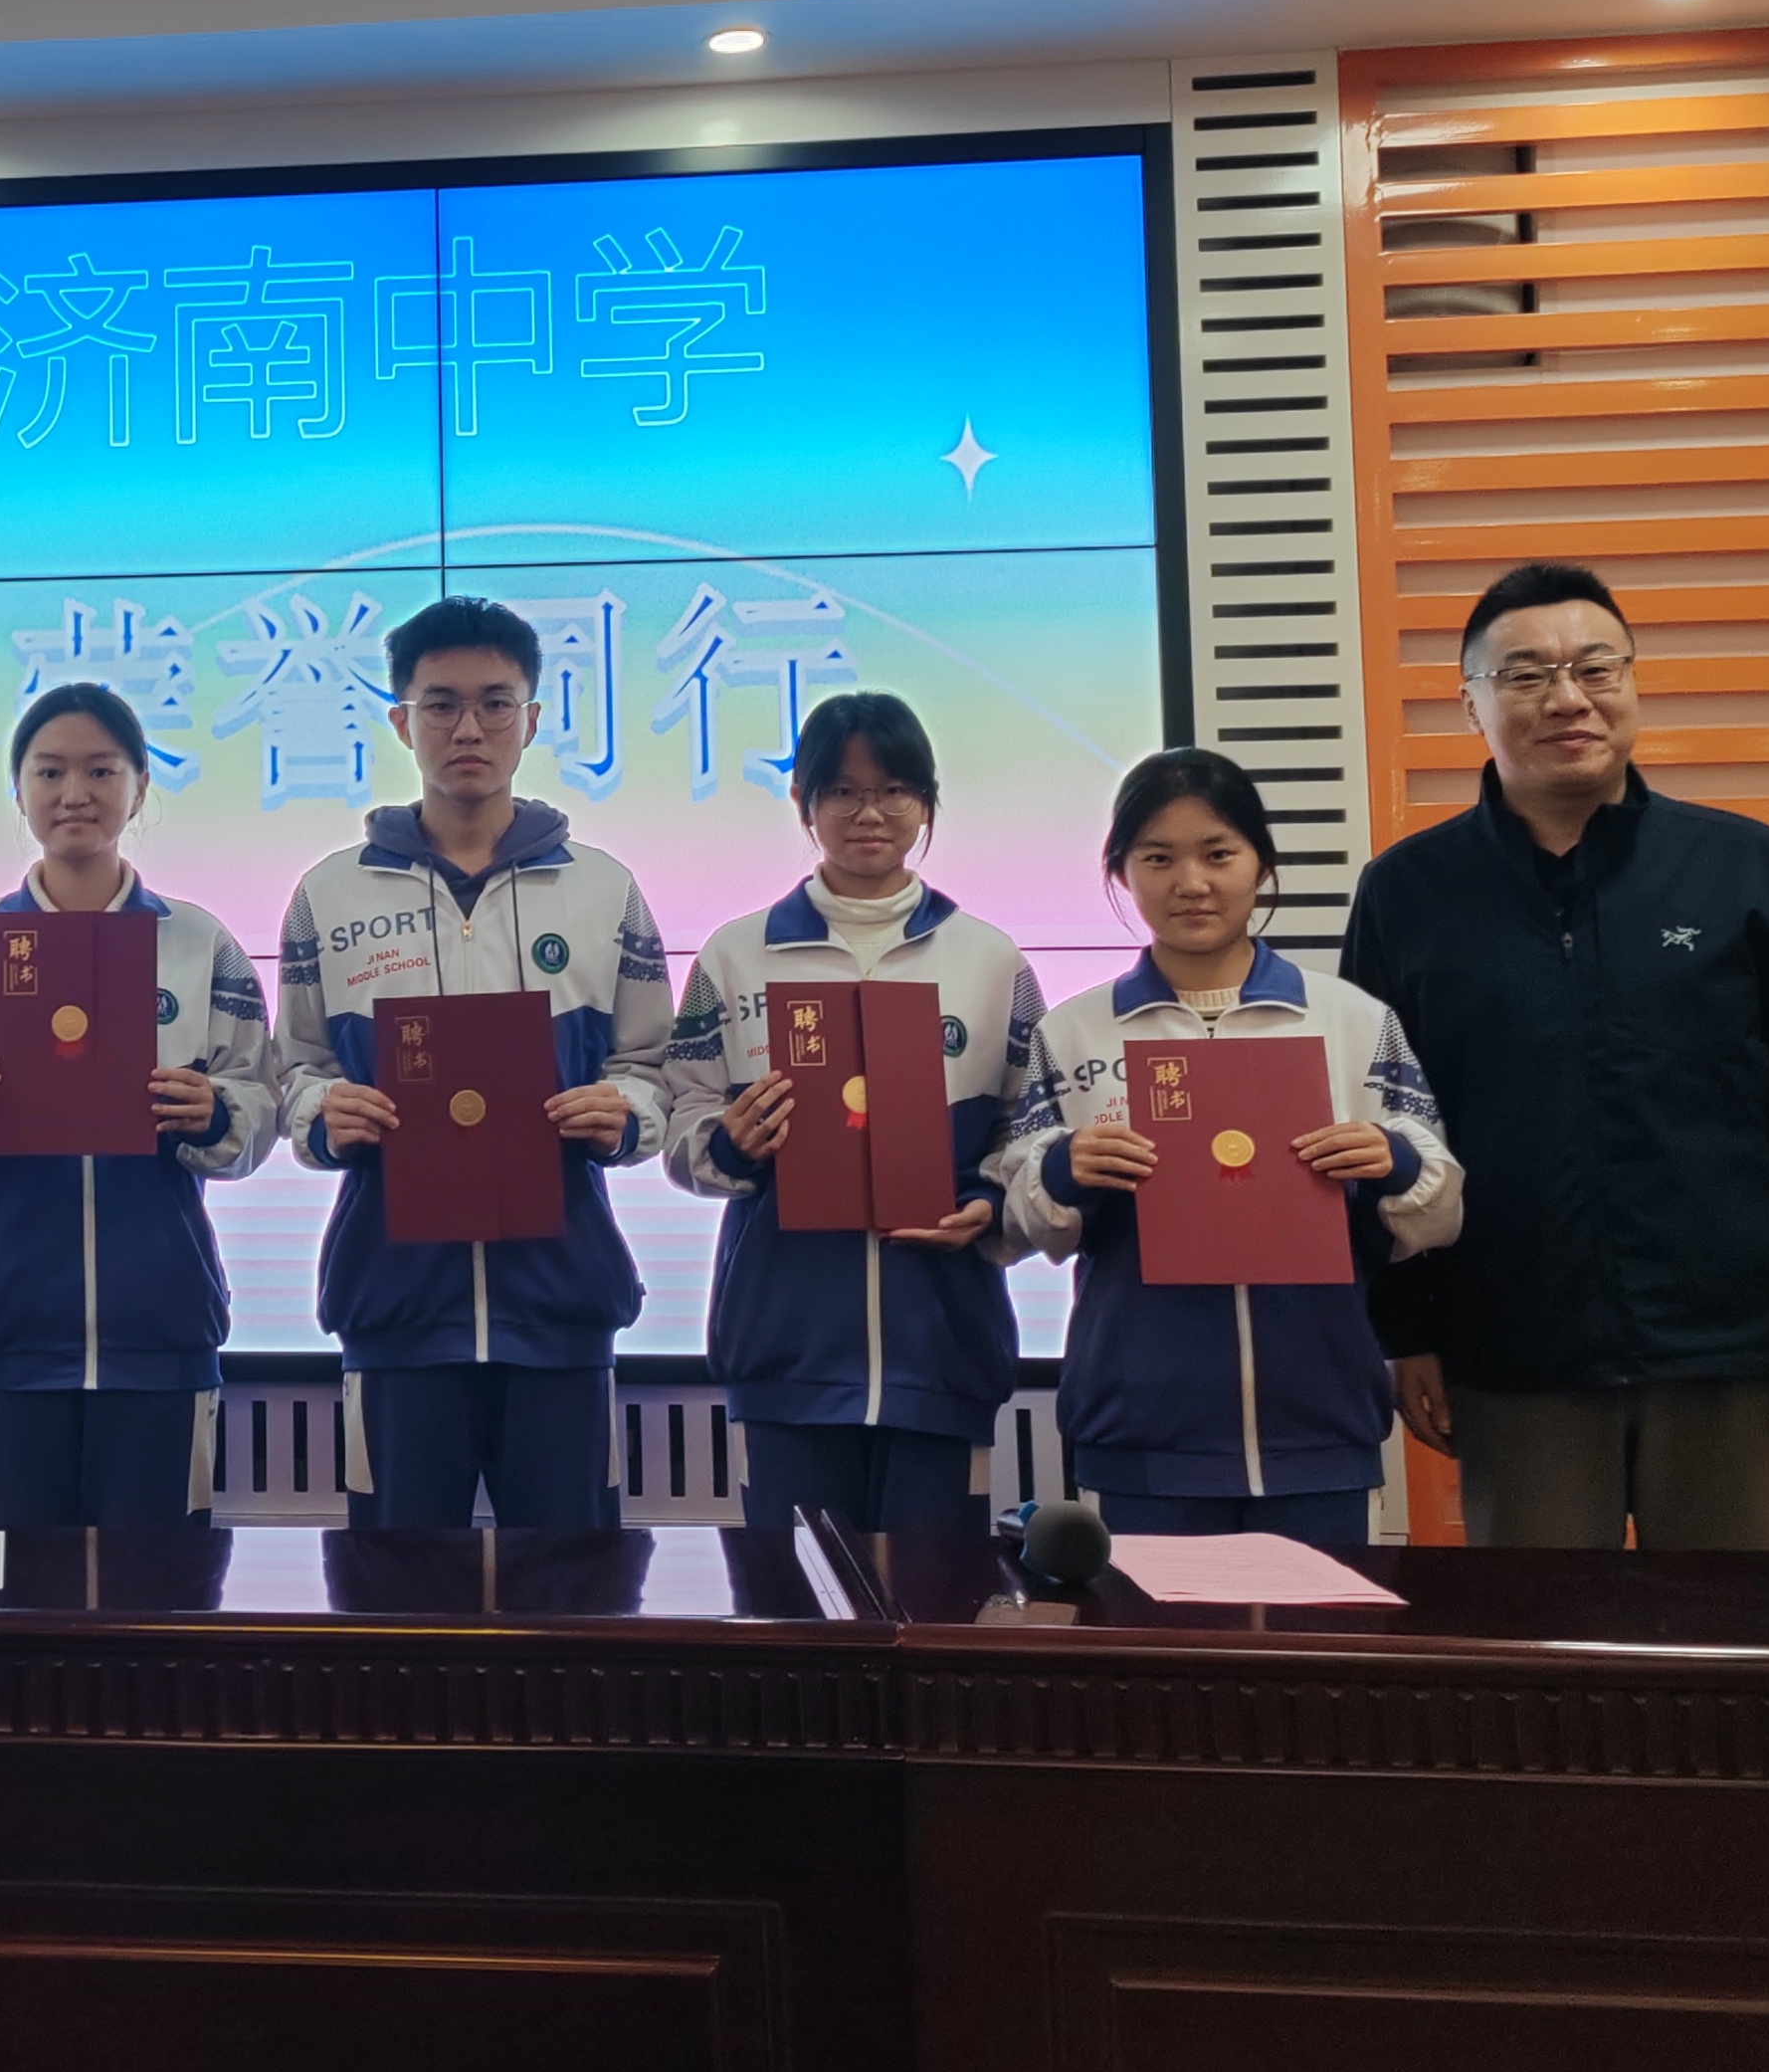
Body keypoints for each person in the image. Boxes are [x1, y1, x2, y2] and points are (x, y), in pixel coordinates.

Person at [1339, 559, 1769, 1550]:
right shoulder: (1407, 894)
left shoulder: (1747, 868)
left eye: (1595, 667)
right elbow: (1384, 1129)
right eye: (1525, 674)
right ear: (1471, 703)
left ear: (1631, 682)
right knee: (1544, 1645)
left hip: (1738, 1355)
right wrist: (1407, 1330)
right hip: (1514, 1361)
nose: (1567, 698)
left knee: (1740, 1639)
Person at [995, 747, 1463, 1554]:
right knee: (1158, 1638)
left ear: (1261, 864)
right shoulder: (1073, 1033)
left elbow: (1441, 1212)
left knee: (1318, 1638)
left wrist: (1394, 1162)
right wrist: (1064, 1172)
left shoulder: (1351, 1020)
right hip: (1143, 1427)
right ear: (1120, 872)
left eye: (1218, 854)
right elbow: (1027, 1224)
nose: (1191, 882)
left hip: (1318, 1423)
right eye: (1158, 858)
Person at [273, 593, 674, 1530]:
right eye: (441, 704)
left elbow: (655, 1067)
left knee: (573, 1588)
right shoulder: (328, 894)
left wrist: (625, 1113)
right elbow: (292, 1069)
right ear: (399, 720)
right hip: (395, 1304)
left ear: (530, 720)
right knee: (397, 1590)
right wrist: (322, 1115)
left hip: (562, 1304)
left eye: (495, 703)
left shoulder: (603, 889)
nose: (468, 729)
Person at [0, 684, 283, 1527]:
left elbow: (259, 1109)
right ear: (19, 788)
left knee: (156, 1590)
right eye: (49, 771)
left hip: (160, 1327)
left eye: (101, 770)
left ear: (140, 785)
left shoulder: (199, 943)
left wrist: (213, 1113)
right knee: (14, 1590)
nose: (75, 793)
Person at [664, 693, 1040, 1536]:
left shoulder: (991, 961)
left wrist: (989, 1206)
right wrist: (730, 1142)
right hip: (786, 1349)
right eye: (842, 790)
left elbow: (1030, 1132)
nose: (870, 813)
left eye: (895, 789)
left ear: (927, 803)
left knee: (936, 1601)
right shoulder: (735, 954)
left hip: (942, 1348)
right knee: (795, 1605)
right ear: (804, 802)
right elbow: (682, 1119)